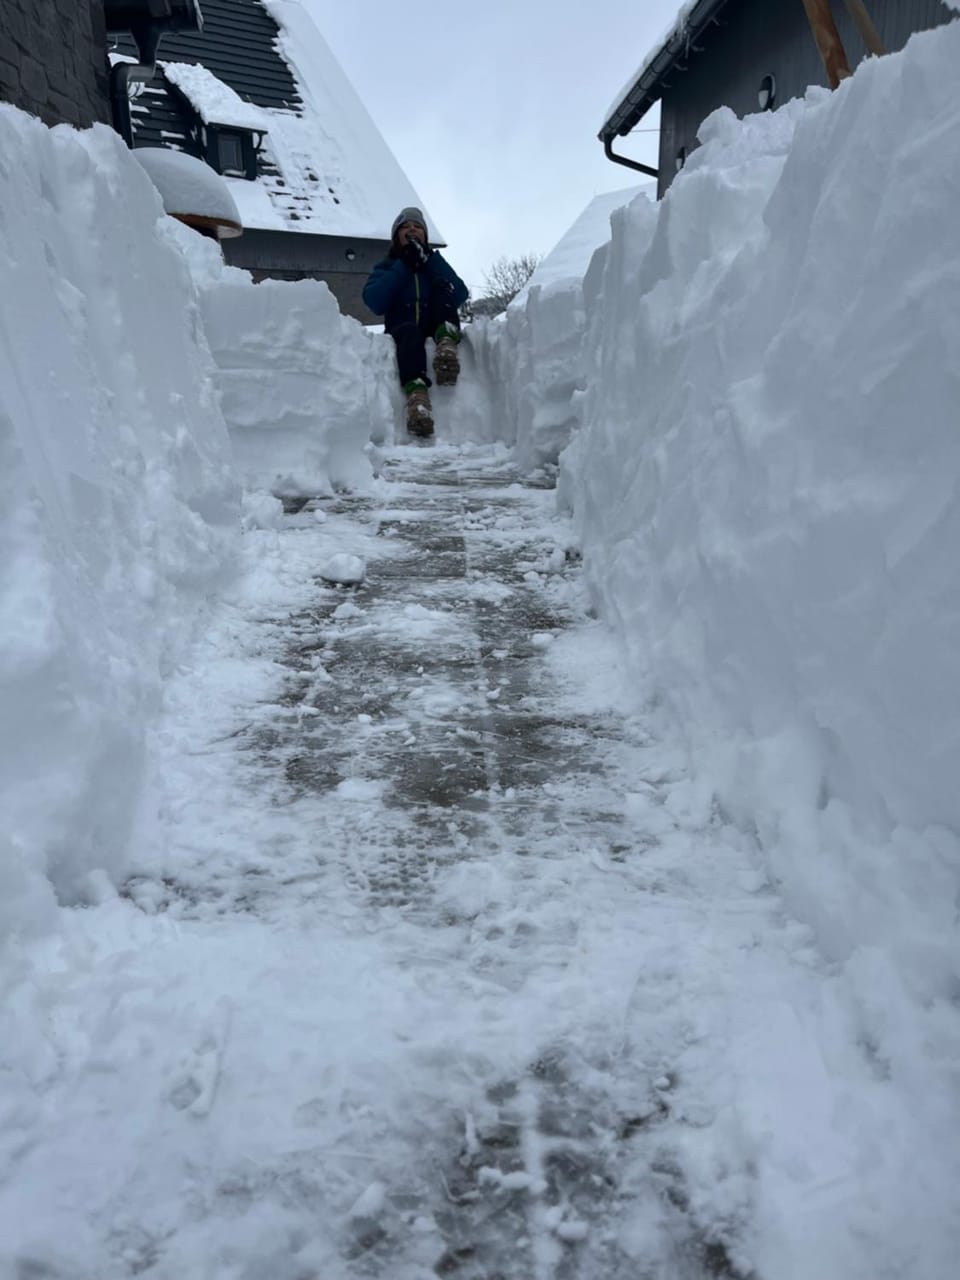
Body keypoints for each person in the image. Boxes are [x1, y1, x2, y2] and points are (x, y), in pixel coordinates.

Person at [363, 207, 469, 436]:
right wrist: (404, 265)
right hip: (403, 327)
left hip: (435, 324)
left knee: (443, 290)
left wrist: (430, 261)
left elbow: (459, 294)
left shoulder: (434, 263)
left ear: (425, 236)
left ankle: (447, 345)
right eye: (405, 226)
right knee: (410, 333)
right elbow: (374, 301)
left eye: (418, 226)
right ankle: (417, 398)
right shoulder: (387, 267)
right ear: (396, 237)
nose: (412, 228)